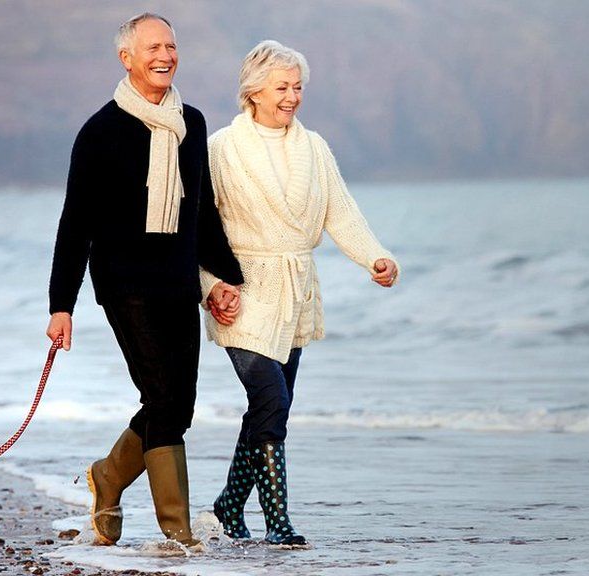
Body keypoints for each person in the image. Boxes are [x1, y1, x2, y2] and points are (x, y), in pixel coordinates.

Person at [46, 13, 244, 549]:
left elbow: (200, 214)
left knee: (177, 405)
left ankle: (108, 476)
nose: (165, 55)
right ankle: (177, 532)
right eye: (153, 46)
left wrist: (225, 280)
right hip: (124, 284)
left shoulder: (192, 123)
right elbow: (75, 223)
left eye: (172, 46)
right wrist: (61, 304)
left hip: (177, 281)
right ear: (126, 57)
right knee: (161, 395)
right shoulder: (100, 132)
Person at [201, 40, 400, 547]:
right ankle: (278, 522)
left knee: (272, 407)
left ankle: (227, 507)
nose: (292, 97)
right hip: (241, 290)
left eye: (298, 87)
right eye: (282, 87)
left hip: (296, 290)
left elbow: (341, 211)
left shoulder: (314, 147)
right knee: (271, 397)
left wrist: (374, 257)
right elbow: (200, 226)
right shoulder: (223, 147)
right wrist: (210, 286)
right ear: (254, 91)